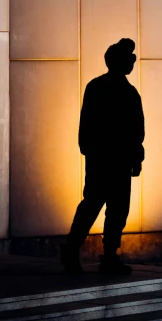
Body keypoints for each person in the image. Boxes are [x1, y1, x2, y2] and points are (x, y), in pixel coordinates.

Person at [61, 38, 144, 275]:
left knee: (105, 207)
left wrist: (89, 150)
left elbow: (134, 130)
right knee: (106, 207)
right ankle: (96, 254)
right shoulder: (125, 92)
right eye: (129, 60)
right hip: (111, 159)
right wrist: (135, 157)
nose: (131, 64)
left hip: (105, 158)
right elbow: (135, 130)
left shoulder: (100, 87)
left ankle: (93, 252)